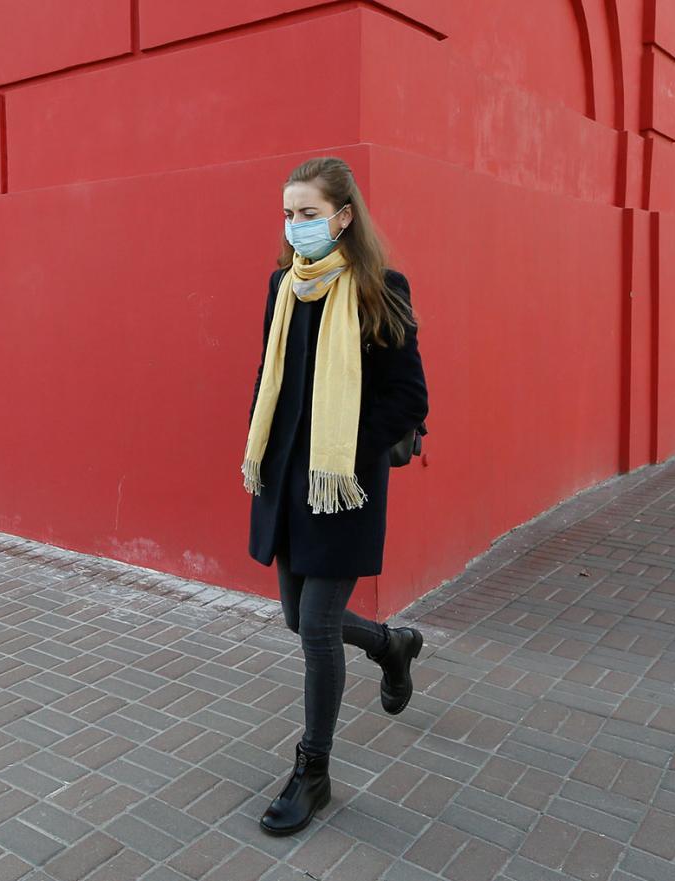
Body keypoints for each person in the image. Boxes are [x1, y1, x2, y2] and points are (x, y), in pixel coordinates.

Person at [242, 156, 430, 836]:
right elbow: (272, 373)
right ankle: (391, 645)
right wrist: (265, 449)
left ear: (343, 217)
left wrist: (342, 451)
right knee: (300, 618)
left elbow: (409, 398)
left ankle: (312, 771)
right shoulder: (282, 286)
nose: (297, 228)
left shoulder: (382, 288)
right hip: (286, 482)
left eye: (310, 214)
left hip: (340, 484)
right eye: (290, 215)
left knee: (317, 626)